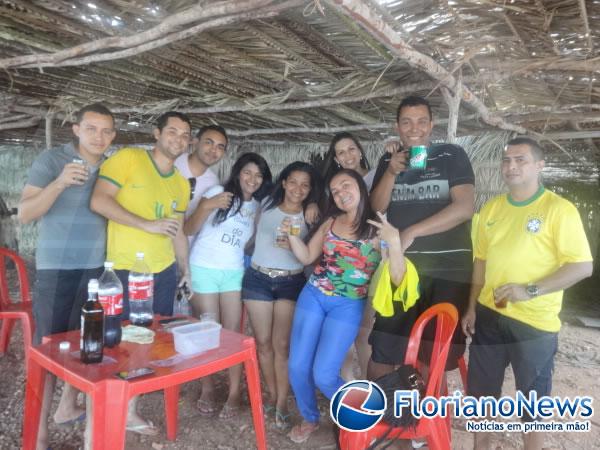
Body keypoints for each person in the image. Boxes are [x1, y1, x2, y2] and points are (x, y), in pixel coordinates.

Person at [461, 137, 593, 450]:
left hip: (535, 322)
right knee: (482, 396)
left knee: (532, 403)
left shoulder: (559, 210)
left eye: (520, 160)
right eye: (507, 160)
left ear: (539, 166)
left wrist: (530, 290)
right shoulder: (491, 210)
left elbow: (582, 266)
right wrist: (471, 308)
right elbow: (480, 262)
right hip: (489, 316)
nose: (511, 166)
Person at [18, 104, 116, 450]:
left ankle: (66, 407)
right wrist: (60, 182)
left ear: (113, 135)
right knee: (47, 350)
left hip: (96, 268)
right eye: (91, 129)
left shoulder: (111, 166)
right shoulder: (51, 160)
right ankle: (38, 434)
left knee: (86, 343)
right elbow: (26, 213)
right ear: (76, 129)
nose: (98, 137)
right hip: (56, 266)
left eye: (106, 131)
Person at [90, 111, 192, 434]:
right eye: (172, 131)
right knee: (117, 340)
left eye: (185, 135)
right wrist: (148, 225)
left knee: (148, 339)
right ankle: (105, 408)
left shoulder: (179, 182)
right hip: (122, 269)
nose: (178, 139)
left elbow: (177, 231)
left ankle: (129, 407)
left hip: (162, 271)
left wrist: (185, 268)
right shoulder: (129, 158)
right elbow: (99, 201)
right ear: (156, 133)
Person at [368, 95, 475, 381]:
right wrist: (390, 171)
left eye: (421, 121)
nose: (414, 128)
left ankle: (423, 420)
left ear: (431, 125)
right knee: (384, 346)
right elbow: (377, 207)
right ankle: (377, 417)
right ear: (397, 126)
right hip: (402, 270)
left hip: (448, 272)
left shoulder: (452, 155)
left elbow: (464, 208)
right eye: (406, 122)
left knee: (433, 353)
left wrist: (413, 231)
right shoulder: (389, 160)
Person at [286, 170, 391, 443]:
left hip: (348, 305)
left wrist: (396, 243)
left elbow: (394, 273)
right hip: (314, 295)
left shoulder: (379, 227)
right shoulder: (331, 221)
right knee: (297, 366)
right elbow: (308, 255)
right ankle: (310, 418)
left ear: (360, 187)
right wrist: (291, 236)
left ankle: (362, 414)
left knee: (323, 373)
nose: (341, 193)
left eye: (346, 185)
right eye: (334, 190)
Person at [187, 152, 272, 419]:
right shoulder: (218, 192)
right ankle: (208, 387)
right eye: (247, 172)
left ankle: (234, 392)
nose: (252, 179)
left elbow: (248, 243)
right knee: (207, 331)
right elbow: (189, 228)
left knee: (233, 334)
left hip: (234, 272)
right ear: (237, 173)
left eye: (258, 175)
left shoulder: (257, 207)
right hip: (203, 269)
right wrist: (207, 205)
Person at [242, 161, 321, 430]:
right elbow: (249, 236)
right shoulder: (264, 206)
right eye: (294, 182)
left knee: (282, 344)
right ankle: (273, 396)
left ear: (310, 190)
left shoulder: (312, 216)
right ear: (284, 182)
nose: (298, 188)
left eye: (305, 184)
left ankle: (283, 402)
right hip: (258, 279)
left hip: (291, 282)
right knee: (263, 343)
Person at [175, 124, 227, 227]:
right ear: (195, 142)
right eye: (208, 142)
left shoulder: (213, 183)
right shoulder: (174, 162)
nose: (213, 150)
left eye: (220, 147)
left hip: (185, 240)